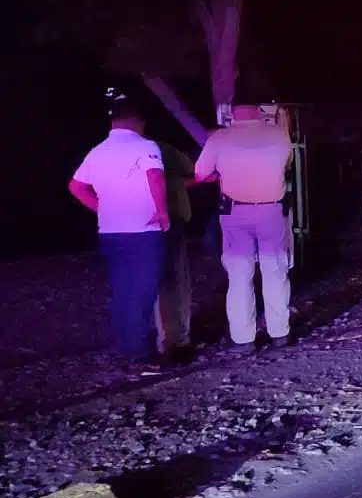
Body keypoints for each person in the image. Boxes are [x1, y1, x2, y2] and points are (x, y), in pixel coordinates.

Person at [68, 98, 169, 373]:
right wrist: (162, 211)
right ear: (137, 121)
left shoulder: (97, 151)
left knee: (123, 289)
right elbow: (155, 177)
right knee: (144, 290)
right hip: (143, 231)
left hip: (110, 231)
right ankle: (140, 354)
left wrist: (103, 209)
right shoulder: (146, 146)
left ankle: (124, 345)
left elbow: (76, 187)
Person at [194, 104, 294, 350]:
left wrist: (222, 176)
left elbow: (199, 174)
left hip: (235, 211)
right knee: (275, 271)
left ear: (233, 110)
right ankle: (280, 333)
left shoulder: (220, 138)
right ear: (257, 109)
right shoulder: (279, 135)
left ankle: (243, 339)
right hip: (271, 209)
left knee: (239, 276)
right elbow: (287, 164)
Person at [154, 140, 195, 356]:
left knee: (145, 282)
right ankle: (176, 338)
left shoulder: (106, 151)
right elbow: (192, 171)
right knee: (175, 280)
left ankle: (147, 339)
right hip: (169, 220)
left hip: (130, 225)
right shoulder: (163, 149)